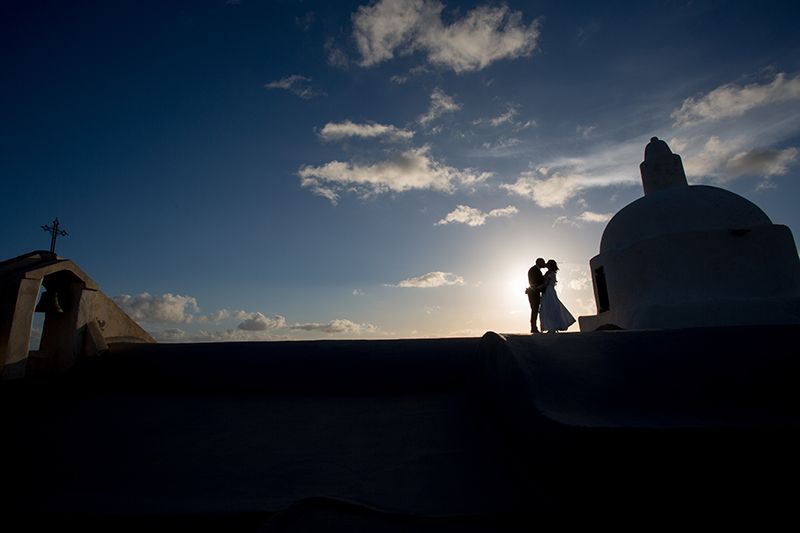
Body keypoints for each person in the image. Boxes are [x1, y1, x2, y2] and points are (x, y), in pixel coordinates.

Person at [539, 259, 576, 333]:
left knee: (549, 308)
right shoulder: (552, 273)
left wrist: (536, 288)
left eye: (548, 264)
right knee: (552, 307)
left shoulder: (549, 273)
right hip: (551, 291)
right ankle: (552, 327)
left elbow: (546, 284)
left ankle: (552, 327)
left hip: (548, 292)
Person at [525, 258, 547, 333]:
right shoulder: (534, 270)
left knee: (535, 309)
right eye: (543, 262)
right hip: (533, 292)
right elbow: (537, 281)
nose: (544, 263)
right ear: (539, 262)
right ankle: (533, 327)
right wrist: (545, 277)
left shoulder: (535, 269)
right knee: (534, 309)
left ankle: (534, 327)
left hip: (534, 292)